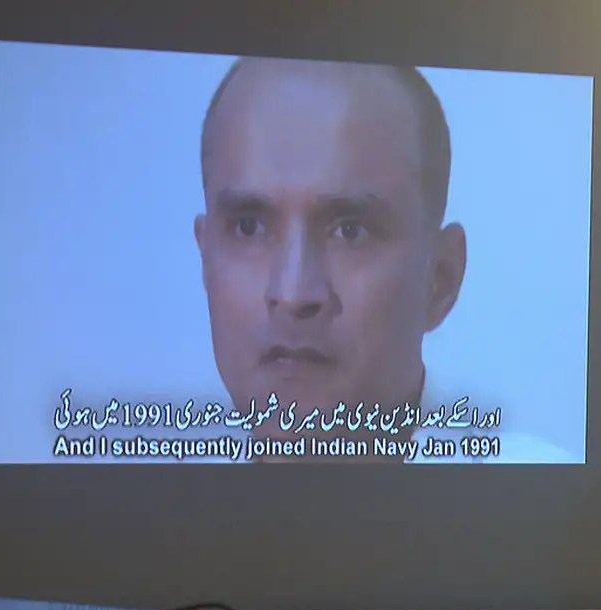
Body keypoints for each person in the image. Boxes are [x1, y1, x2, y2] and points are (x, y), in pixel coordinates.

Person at [195, 56, 568, 463]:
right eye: (248, 227)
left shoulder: (554, 494)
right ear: (205, 260)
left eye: (350, 231)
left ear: (441, 279)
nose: (293, 293)